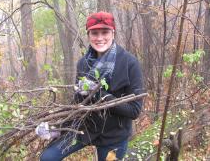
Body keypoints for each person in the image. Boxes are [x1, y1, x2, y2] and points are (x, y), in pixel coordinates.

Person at [36, 11, 144, 160]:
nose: (99, 38)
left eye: (105, 32)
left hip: (114, 135)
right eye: (94, 33)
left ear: (113, 33)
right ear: (88, 35)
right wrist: (58, 128)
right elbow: (78, 103)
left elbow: (135, 111)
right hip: (84, 129)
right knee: (48, 157)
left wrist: (98, 93)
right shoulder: (83, 64)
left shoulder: (129, 63)